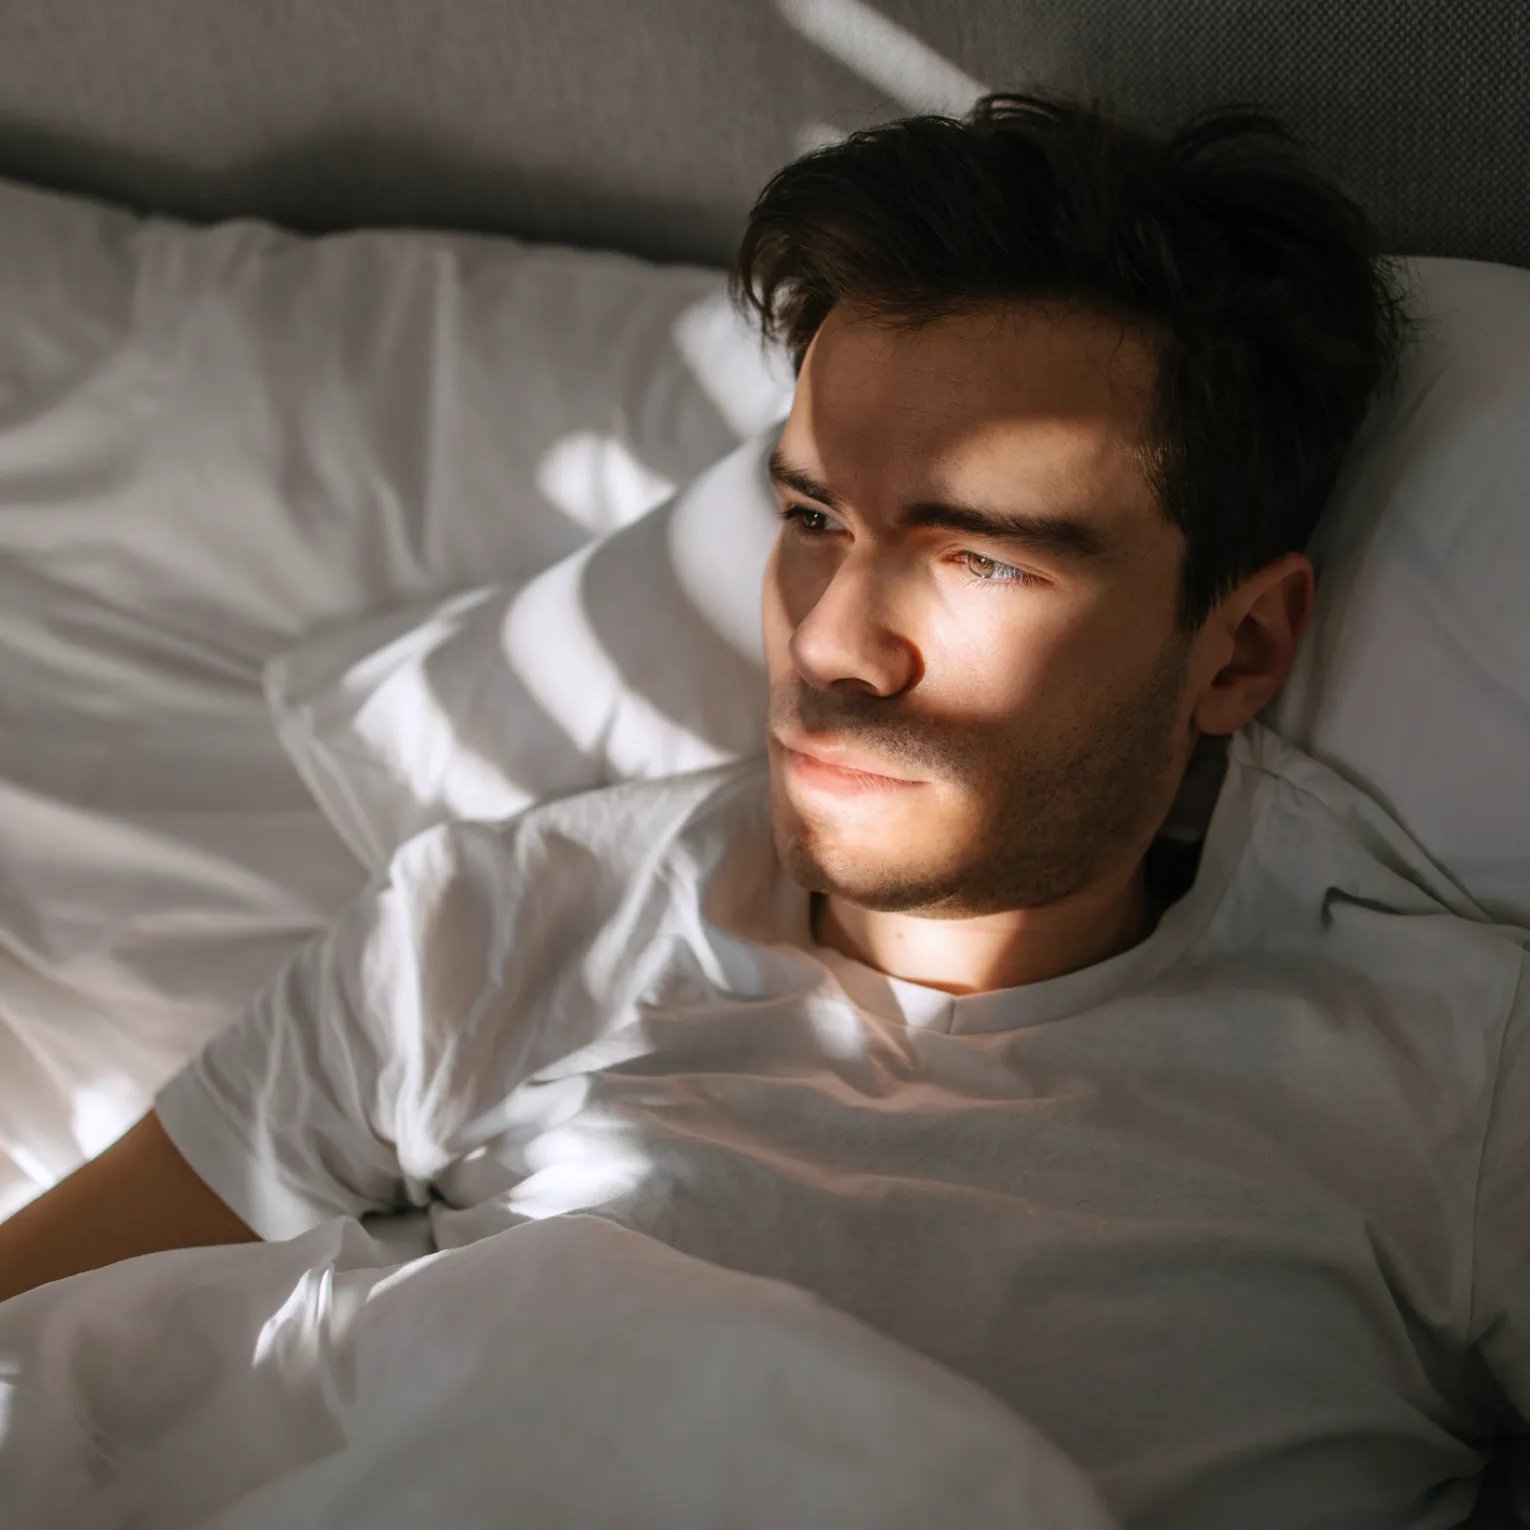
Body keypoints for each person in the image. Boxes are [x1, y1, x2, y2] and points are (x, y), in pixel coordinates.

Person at [1, 89, 1526, 1527]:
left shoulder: (1453, 1090)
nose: (826, 643)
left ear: (1238, 646)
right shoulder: (511, 924)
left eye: (979, 554)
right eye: (810, 518)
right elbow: (39, 1345)